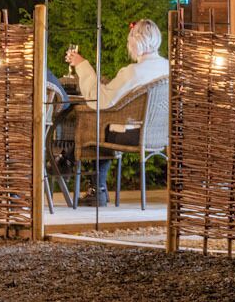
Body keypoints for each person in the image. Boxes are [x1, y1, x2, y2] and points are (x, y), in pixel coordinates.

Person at [64, 19, 170, 189]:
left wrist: (82, 65)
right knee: (103, 126)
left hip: (134, 135)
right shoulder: (169, 68)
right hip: (163, 134)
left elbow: (100, 100)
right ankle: (86, 178)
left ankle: (74, 169)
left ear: (135, 42)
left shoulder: (133, 72)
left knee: (98, 125)